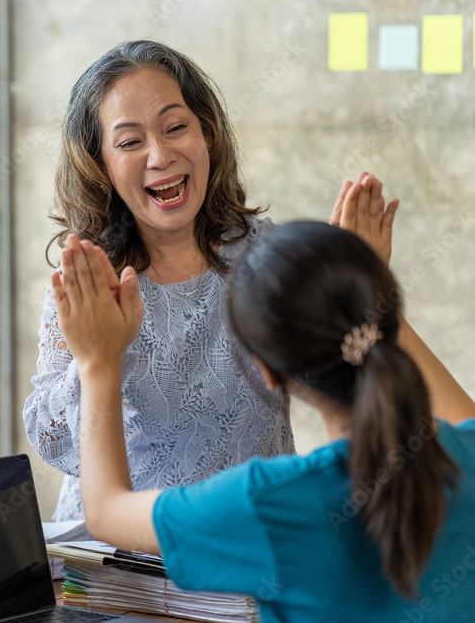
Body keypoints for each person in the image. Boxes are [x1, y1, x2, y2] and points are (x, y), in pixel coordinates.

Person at [54, 219, 475, 621]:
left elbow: (106, 513)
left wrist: (98, 362)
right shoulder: (466, 452)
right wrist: (368, 297)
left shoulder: (269, 503)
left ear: (267, 371)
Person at [25, 40, 305, 520]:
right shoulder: (90, 281)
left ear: (208, 135)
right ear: (102, 166)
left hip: (251, 550)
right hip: (119, 561)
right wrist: (98, 358)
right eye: (130, 142)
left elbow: (337, 382)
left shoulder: (265, 253)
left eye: (176, 127)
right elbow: (54, 442)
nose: (160, 155)